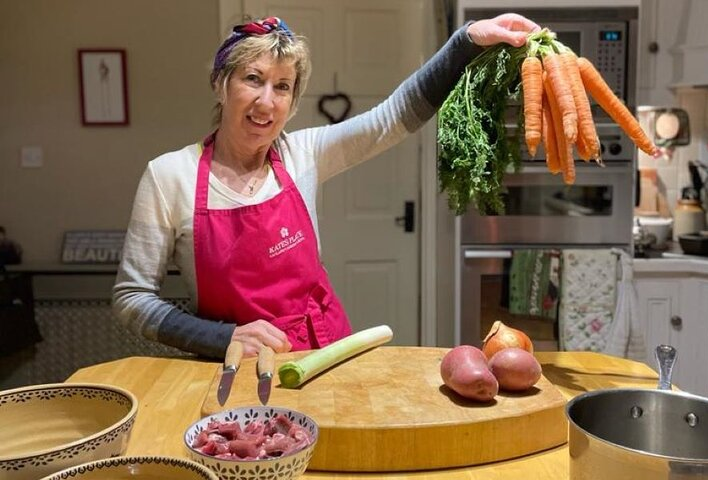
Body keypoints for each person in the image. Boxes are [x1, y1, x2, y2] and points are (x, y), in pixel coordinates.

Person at [113, 14, 540, 359]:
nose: (267, 102)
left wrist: (464, 42)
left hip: (325, 355)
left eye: (282, 87)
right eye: (252, 79)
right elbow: (132, 299)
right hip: (232, 365)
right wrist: (219, 337)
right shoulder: (170, 176)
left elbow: (393, 117)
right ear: (220, 84)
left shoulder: (304, 154)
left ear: (293, 102)